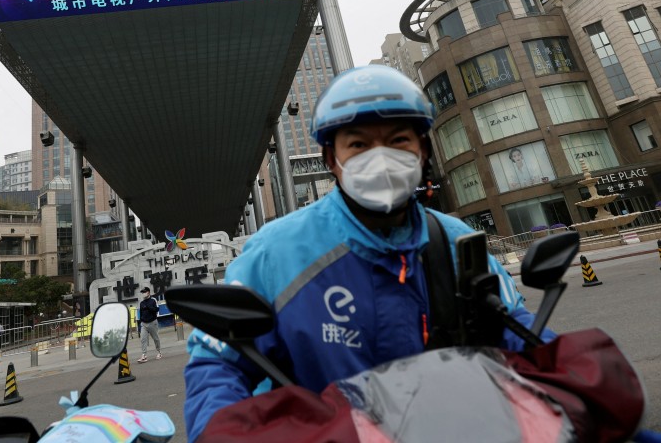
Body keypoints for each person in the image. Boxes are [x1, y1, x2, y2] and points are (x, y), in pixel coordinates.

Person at [182, 65, 552, 441]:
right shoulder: (276, 252)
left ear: (423, 151)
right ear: (332, 160)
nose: (380, 158)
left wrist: (569, 380)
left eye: (398, 141)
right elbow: (217, 366)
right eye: (358, 145)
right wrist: (221, 431)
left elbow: (518, 334)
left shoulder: (457, 242)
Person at [138, 287, 163, 363]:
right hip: (144, 324)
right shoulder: (141, 303)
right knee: (143, 339)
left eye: (144, 292)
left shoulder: (153, 300)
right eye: (142, 292)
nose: (143, 294)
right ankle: (144, 355)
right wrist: (141, 321)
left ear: (148, 292)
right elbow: (141, 313)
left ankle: (159, 352)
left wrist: (149, 307)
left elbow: (157, 309)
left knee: (155, 338)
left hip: (152, 322)